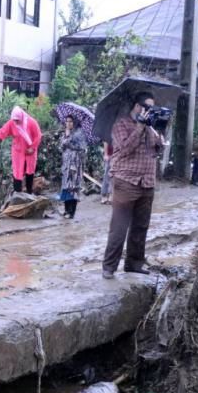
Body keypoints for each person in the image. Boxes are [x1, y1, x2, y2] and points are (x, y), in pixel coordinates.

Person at [101, 90, 164, 279]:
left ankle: (134, 264)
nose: (149, 112)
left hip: (147, 181)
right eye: (147, 108)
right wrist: (140, 126)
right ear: (137, 106)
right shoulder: (121, 125)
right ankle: (109, 267)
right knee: (119, 226)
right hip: (125, 181)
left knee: (141, 226)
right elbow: (125, 148)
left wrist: (158, 130)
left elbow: (158, 149)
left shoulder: (151, 127)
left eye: (152, 109)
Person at [0, 106, 41, 193]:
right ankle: (17, 193)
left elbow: (38, 136)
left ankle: (29, 192)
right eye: (14, 120)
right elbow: (3, 131)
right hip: (18, 151)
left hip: (30, 151)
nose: (15, 122)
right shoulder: (12, 123)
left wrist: (33, 148)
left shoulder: (31, 122)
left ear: (21, 117)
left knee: (29, 171)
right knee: (17, 171)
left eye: (17, 120)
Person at [59, 116, 87, 219]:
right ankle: (66, 210)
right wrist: (66, 138)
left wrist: (68, 139)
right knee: (66, 187)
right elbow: (61, 147)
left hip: (75, 164)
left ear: (74, 122)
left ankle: (72, 212)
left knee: (73, 187)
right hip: (66, 164)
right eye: (67, 122)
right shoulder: (64, 134)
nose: (68, 123)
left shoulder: (79, 134)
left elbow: (81, 148)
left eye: (70, 121)